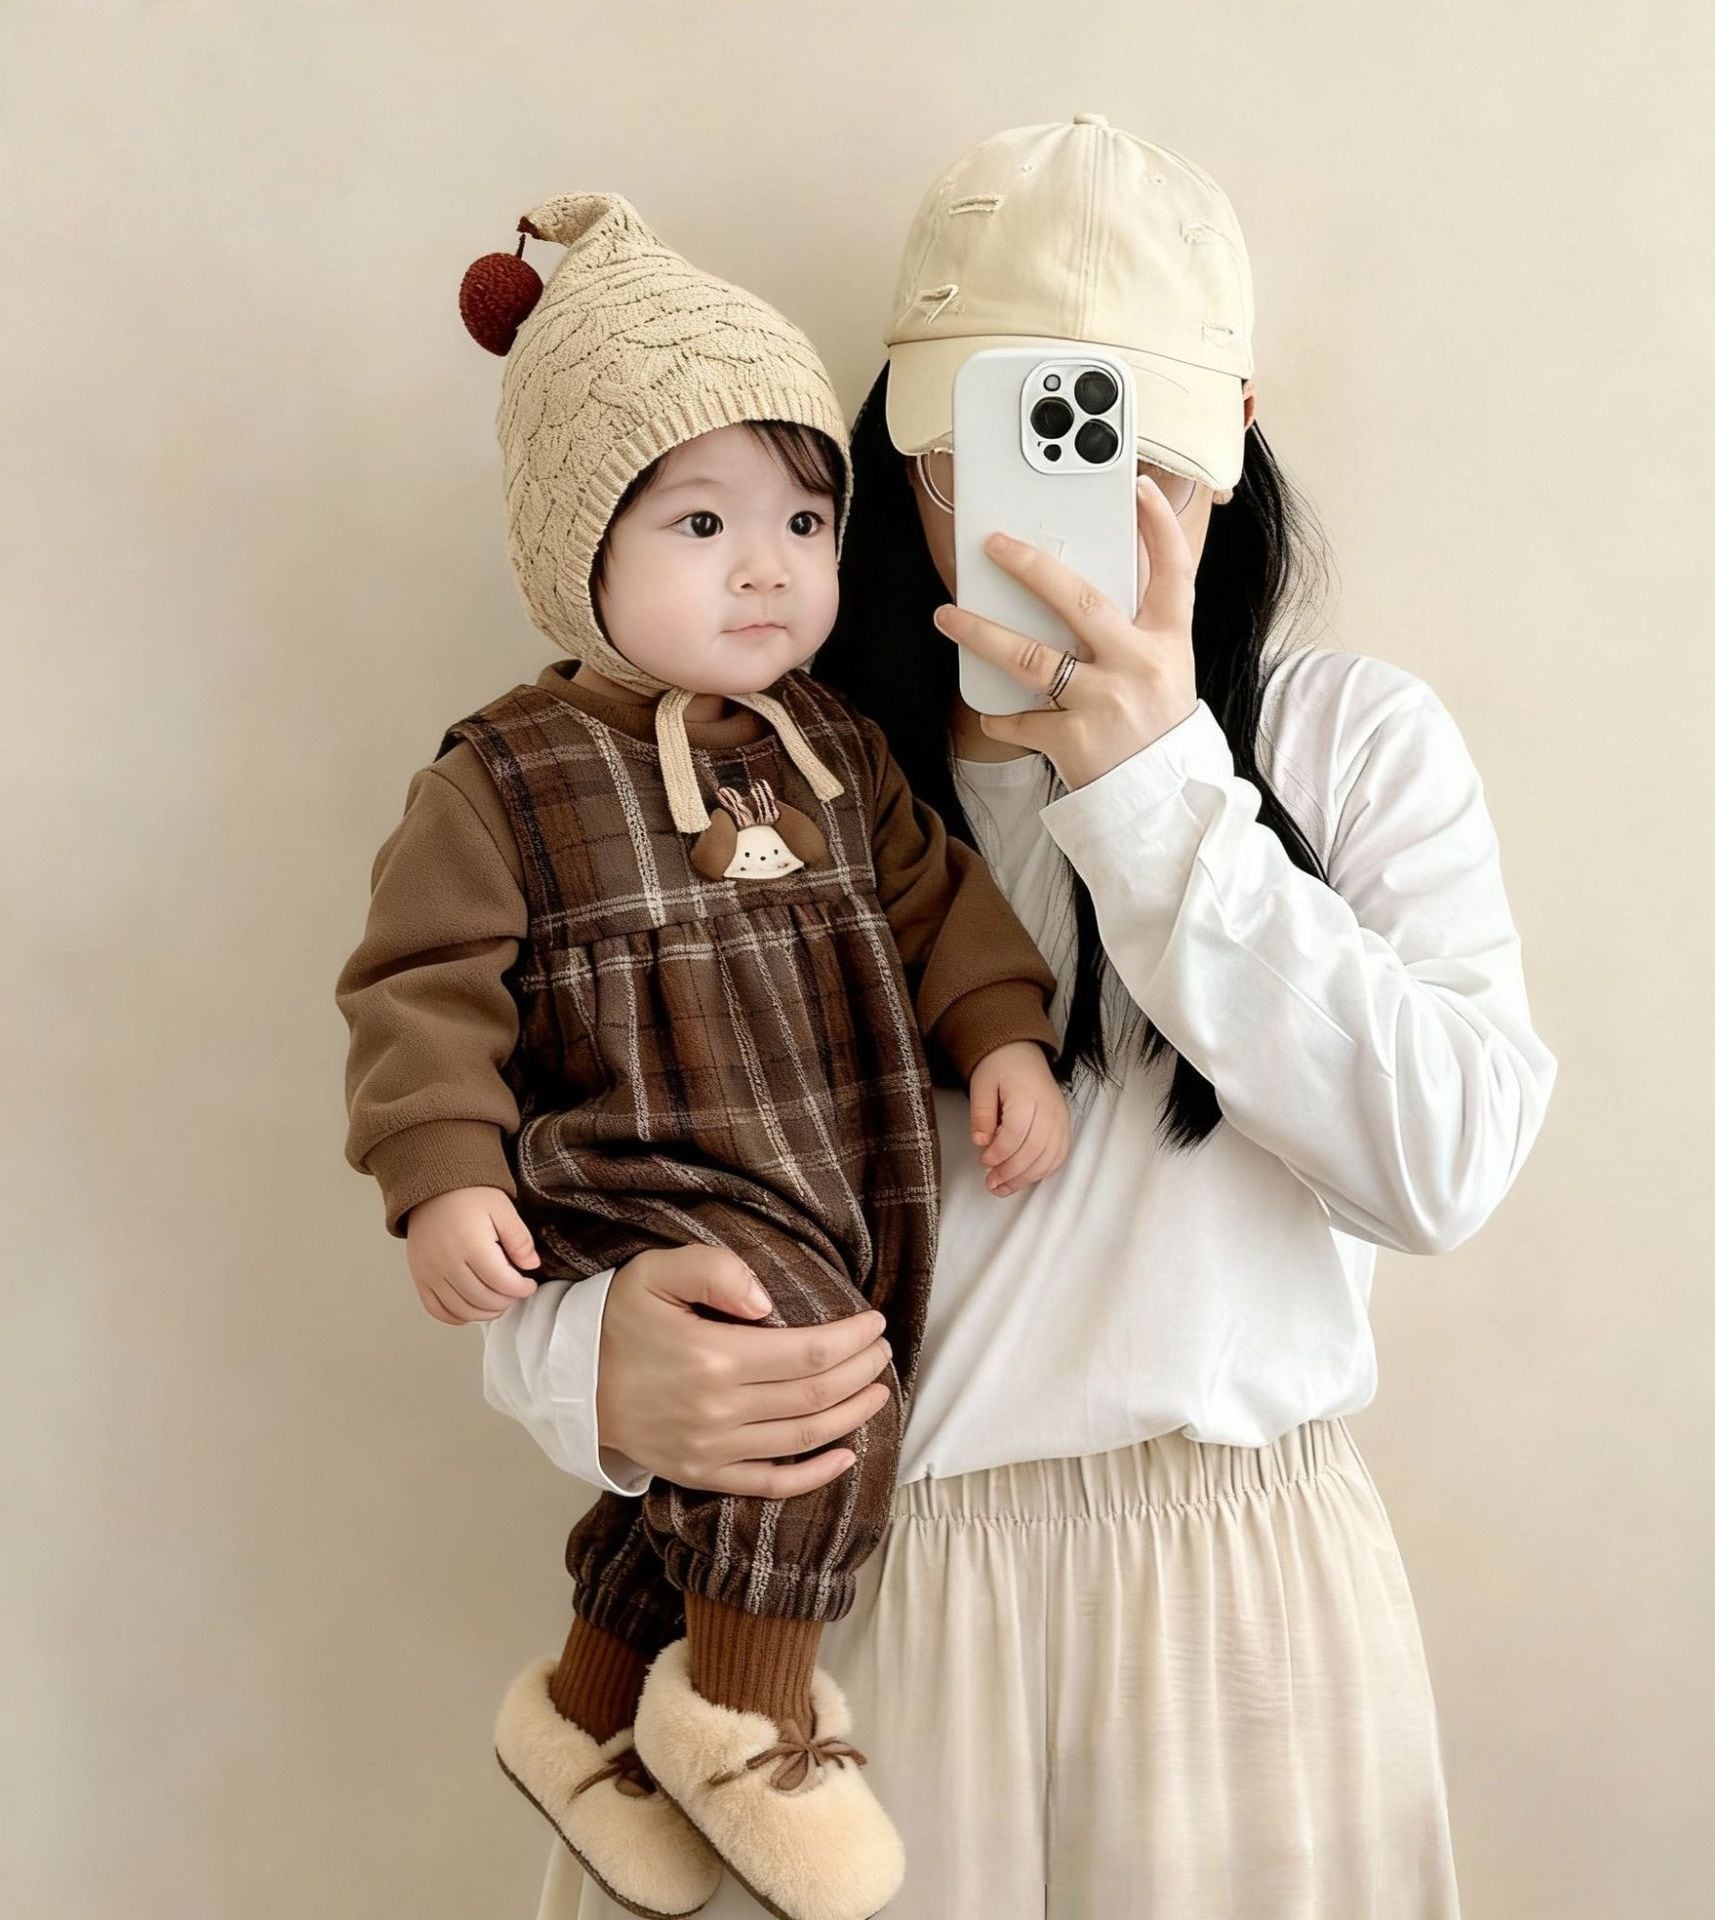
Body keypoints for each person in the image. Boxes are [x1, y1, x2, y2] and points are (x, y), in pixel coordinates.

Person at [489, 117, 1558, 1920]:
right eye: (996, 445)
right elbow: (553, 1175)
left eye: (1138, 449)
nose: (1068, 507)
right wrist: (583, 1364)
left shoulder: (1342, 745)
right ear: (900, 450)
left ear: (1232, 446)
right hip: (827, 1609)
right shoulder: (748, 766)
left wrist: (1159, 791)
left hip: (1238, 1616)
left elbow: (1442, 1164)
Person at [335, 191, 1069, 1920]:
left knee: (719, 1451)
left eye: (806, 519)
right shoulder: (502, 777)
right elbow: (420, 988)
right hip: (640, 1176)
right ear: (576, 550)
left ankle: (589, 1710)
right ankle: (748, 1714)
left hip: (826, 1173)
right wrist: (440, 1178)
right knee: (818, 1398)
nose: (768, 566)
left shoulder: (836, 751)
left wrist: (1003, 1041)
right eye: (703, 521)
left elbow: (940, 907)